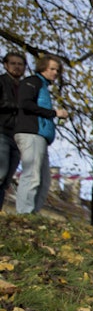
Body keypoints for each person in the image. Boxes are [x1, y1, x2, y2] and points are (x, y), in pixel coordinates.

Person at [13, 55, 68, 215]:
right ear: (43, 67)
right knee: (32, 174)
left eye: (57, 70)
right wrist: (54, 113)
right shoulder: (32, 82)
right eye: (52, 69)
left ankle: (33, 214)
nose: (55, 73)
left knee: (44, 180)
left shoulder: (43, 86)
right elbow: (25, 103)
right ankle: (24, 213)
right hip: (30, 132)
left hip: (41, 136)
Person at [0, 52, 27, 208]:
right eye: (13, 63)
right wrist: (17, 106)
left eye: (20, 64)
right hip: (2, 131)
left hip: (18, 136)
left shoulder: (25, 87)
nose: (17, 67)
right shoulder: (1, 81)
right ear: (5, 65)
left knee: (7, 180)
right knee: (0, 173)